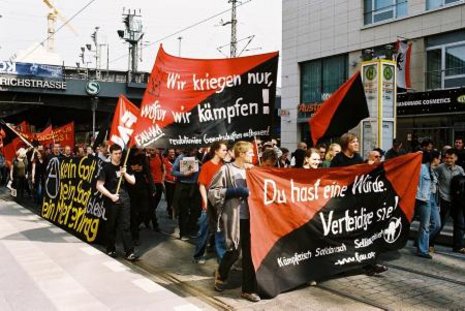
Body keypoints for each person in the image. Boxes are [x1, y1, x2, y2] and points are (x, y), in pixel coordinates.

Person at [209, 141, 260, 302]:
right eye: (250, 153)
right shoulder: (226, 169)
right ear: (242, 154)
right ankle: (221, 274)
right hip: (235, 218)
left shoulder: (252, 170)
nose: (253, 155)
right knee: (234, 251)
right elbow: (213, 192)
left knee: (250, 254)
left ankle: (247, 290)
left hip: (251, 219)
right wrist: (233, 191)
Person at [330, 133, 387, 275]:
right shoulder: (338, 159)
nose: (357, 144)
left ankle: (369, 264)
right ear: (346, 144)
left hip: (357, 204)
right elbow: (332, 179)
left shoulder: (358, 158)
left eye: (357, 141)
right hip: (342, 204)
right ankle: (338, 264)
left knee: (364, 235)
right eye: (354, 142)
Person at [96, 144, 137, 261]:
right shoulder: (106, 167)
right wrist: (111, 196)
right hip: (111, 199)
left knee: (126, 226)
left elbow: (133, 181)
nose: (118, 156)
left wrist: (125, 174)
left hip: (124, 199)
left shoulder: (125, 165)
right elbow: (99, 185)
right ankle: (110, 248)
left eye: (120, 153)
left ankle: (129, 252)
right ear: (111, 154)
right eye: (116, 154)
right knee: (111, 225)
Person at [193, 141, 228, 264]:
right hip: (208, 205)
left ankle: (222, 259)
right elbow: (202, 185)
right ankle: (198, 255)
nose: (226, 152)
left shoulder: (224, 166)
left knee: (220, 233)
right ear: (216, 151)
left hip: (221, 205)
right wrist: (205, 202)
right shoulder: (207, 166)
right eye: (223, 150)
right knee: (204, 231)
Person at [430, 148, 465, 251]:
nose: (448, 160)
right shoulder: (440, 168)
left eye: (451, 158)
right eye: (446, 157)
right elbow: (433, 178)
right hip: (444, 200)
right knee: (439, 224)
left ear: (456, 158)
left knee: (460, 224)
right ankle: (429, 244)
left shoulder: (460, 170)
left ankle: (458, 246)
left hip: (457, 201)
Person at [415, 151, 441, 259]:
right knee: (425, 225)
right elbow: (415, 183)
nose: (440, 160)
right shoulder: (422, 168)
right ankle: (422, 250)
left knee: (437, 224)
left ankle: (420, 241)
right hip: (423, 198)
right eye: (439, 158)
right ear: (434, 159)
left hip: (432, 198)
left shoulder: (433, 170)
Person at [171, 147, 201, 240]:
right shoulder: (181, 157)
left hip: (194, 186)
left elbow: (198, 172)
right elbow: (173, 172)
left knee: (195, 210)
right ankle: (183, 233)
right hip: (183, 186)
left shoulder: (196, 158)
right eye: (192, 150)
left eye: (195, 150)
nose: (194, 151)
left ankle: (190, 229)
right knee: (183, 211)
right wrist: (184, 174)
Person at [163, 148, 177, 219]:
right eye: (171, 152)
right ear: (168, 153)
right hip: (168, 182)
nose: (172, 154)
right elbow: (164, 171)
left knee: (176, 198)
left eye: (173, 152)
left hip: (176, 182)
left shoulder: (177, 160)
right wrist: (162, 181)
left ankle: (175, 211)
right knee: (170, 198)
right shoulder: (165, 160)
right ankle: (170, 212)